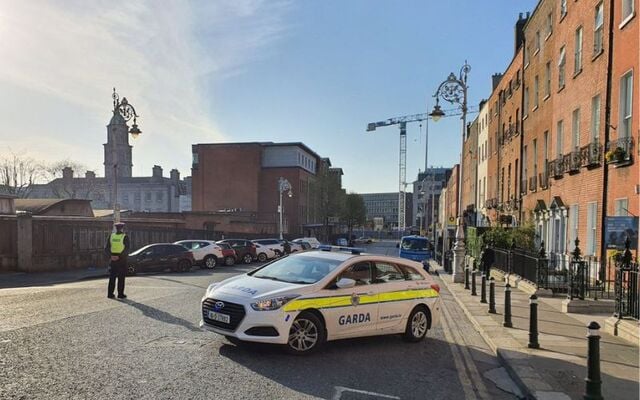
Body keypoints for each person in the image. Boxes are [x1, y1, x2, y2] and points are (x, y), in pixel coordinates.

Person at [105, 222, 130, 299]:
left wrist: (111, 256)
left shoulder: (111, 236)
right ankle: (120, 294)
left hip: (113, 259)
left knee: (112, 277)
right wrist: (119, 257)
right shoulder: (125, 237)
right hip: (121, 260)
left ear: (116, 228)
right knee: (121, 277)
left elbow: (106, 248)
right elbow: (127, 249)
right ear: (122, 228)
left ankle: (110, 294)